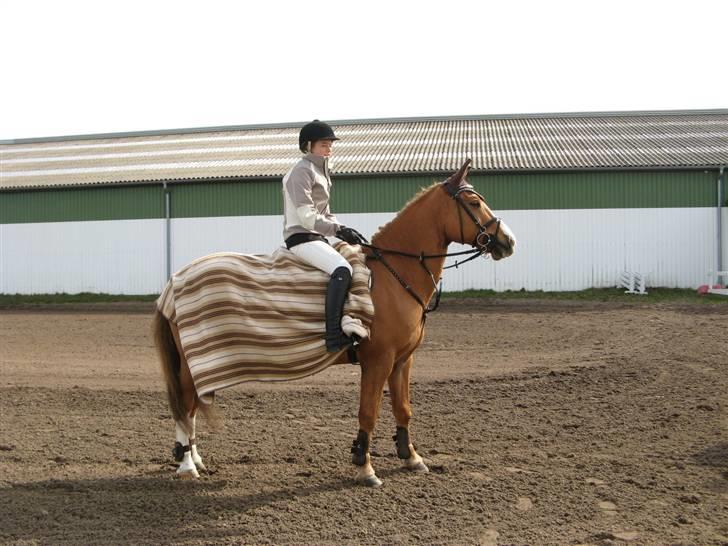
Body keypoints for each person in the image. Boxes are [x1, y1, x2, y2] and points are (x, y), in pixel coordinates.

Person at [282, 120, 369, 352]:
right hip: (301, 237)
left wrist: (344, 229)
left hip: (316, 237)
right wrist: (338, 231)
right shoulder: (301, 171)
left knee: (356, 258)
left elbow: (325, 214)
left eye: (330, 143)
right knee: (343, 270)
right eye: (324, 144)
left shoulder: (321, 170)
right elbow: (307, 217)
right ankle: (333, 335)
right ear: (308, 145)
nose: (329, 147)